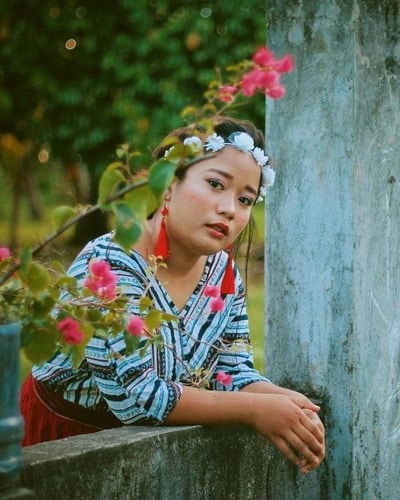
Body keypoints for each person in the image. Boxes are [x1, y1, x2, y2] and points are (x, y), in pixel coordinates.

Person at [20, 115, 325, 473]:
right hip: (66, 437)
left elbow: (232, 371)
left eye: (246, 199)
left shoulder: (223, 273)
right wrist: (257, 410)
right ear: (168, 184)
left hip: (146, 453)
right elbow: (137, 398)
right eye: (215, 183)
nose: (230, 208)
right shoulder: (110, 265)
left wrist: (291, 405)